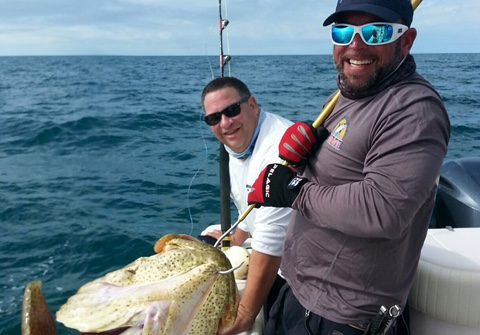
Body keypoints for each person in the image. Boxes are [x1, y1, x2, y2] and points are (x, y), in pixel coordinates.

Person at [246, 0, 450, 334]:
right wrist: (306, 158)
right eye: (343, 30)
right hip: (297, 295)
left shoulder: (414, 110)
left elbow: (382, 209)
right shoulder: (353, 91)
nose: (356, 45)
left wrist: (292, 189)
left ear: (407, 40)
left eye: (376, 31)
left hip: (342, 319)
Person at [200, 76, 293, 334]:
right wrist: (233, 241)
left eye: (231, 110)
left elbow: (270, 242)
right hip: (275, 257)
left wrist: (244, 316)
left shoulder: (278, 149)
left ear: (252, 104)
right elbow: (250, 212)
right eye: (214, 118)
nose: (225, 123)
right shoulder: (239, 145)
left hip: (296, 274)